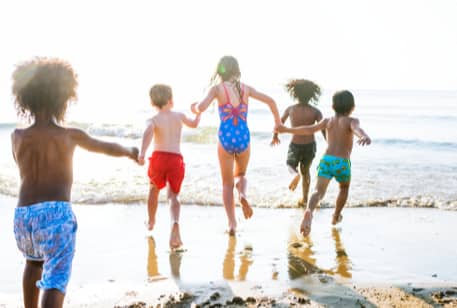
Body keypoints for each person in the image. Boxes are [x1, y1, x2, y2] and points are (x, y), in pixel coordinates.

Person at [11, 58, 138, 308]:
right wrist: (129, 150)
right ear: (63, 98)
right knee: (55, 278)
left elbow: (23, 169)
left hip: (23, 216)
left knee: (32, 263)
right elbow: (105, 147)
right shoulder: (69, 136)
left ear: (25, 97)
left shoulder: (17, 137)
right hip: (56, 214)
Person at [191, 55, 281, 235]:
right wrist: (277, 125)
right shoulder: (246, 89)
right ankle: (243, 195)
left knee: (226, 184)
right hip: (243, 138)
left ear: (220, 71)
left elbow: (201, 107)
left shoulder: (217, 89)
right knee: (240, 174)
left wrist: (194, 108)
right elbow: (271, 101)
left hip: (225, 137)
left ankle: (232, 224)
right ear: (237, 70)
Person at [277, 90, 371, 236]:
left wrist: (287, 129)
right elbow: (357, 129)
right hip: (342, 162)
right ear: (352, 107)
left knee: (318, 192)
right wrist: (363, 136)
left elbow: (309, 129)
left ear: (333, 106)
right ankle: (335, 216)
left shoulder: (328, 121)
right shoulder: (352, 121)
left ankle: (309, 211)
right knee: (344, 188)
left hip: (326, 160)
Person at [138, 84, 201, 249]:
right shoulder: (179, 116)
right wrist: (198, 112)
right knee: (173, 196)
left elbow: (148, 133)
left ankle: (151, 221)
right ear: (171, 100)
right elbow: (194, 124)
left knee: (153, 190)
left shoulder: (153, 119)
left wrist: (142, 153)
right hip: (175, 159)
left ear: (152, 103)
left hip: (158, 158)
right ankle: (175, 223)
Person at [272, 79, 325, 206]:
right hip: (310, 146)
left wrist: (275, 136)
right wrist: (329, 142)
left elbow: (279, 124)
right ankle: (305, 199)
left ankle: (295, 175)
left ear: (295, 94)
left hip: (295, 145)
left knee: (290, 165)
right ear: (312, 95)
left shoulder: (290, 109)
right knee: (306, 171)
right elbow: (323, 128)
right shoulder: (315, 111)